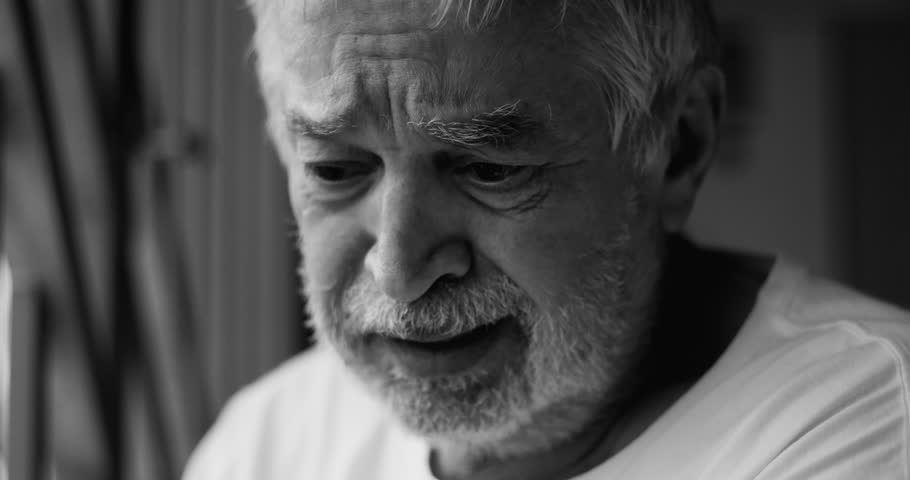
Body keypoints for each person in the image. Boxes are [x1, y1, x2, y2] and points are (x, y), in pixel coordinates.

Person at [183, 0, 910, 478]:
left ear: (678, 148)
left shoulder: (863, 422)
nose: (399, 269)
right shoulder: (267, 441)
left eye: (488, 169)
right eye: (335, 170)